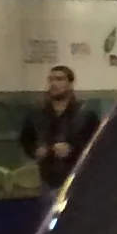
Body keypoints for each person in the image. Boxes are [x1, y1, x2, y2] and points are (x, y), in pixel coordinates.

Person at [19, 63, 100, 192]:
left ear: (70, 83)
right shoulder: (37, 114)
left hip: (78, 179)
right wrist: (35, 150)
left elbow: (97, 144)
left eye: (59, 79)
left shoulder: (86, 114)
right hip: (47, 180)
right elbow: (25, 139)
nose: (54, 84)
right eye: (51, 79)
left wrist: (72, 150)